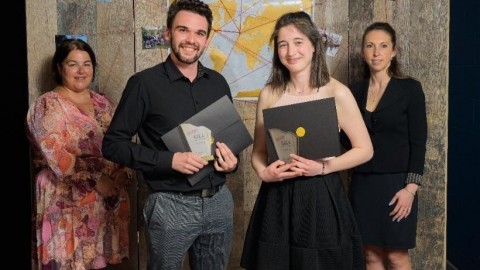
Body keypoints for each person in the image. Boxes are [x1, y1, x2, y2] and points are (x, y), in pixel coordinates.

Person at [101, 0, 238, 269]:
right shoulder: (143, 84)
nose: (191, 39)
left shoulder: (218, 83)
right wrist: (169, 161)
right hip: (170, 204)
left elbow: (231, 143)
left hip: (219, 201)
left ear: (207, 40)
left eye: (199, 33)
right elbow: (112, 145)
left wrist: (232, 163)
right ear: (167, 33)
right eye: (183, 30)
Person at [240, 11, 373, 270]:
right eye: (282, 44)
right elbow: (259, 151)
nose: (291, 51)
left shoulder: (337, 92)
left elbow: (365, 149)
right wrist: (264, 173)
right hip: (277, 197)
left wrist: (324, 167)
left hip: (321, 195)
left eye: (298, 42)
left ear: (314, 45)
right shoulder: (269, 93)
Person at [25, 39, 133, 270]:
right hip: (66, 198)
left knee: (104, 263)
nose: (81, 70)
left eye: (87, 64)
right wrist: (96, 179)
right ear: (59, 68)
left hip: (108, 198)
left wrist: (125, 171)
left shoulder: (104, 102)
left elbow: (123, 140)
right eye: (73, 64)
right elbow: (55, 154)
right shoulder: (47, 105)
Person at [341, 22, 427, 270]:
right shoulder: (352, 92)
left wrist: (410, 189)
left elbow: (418, 142)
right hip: (363, 183)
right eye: (370, 46)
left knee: (397, 256)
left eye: (383, 46)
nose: (376, 52)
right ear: (363, 52)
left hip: (397, 186)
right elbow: (349, 143)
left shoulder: (410, 89)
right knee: (370, 255)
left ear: (394, 51)